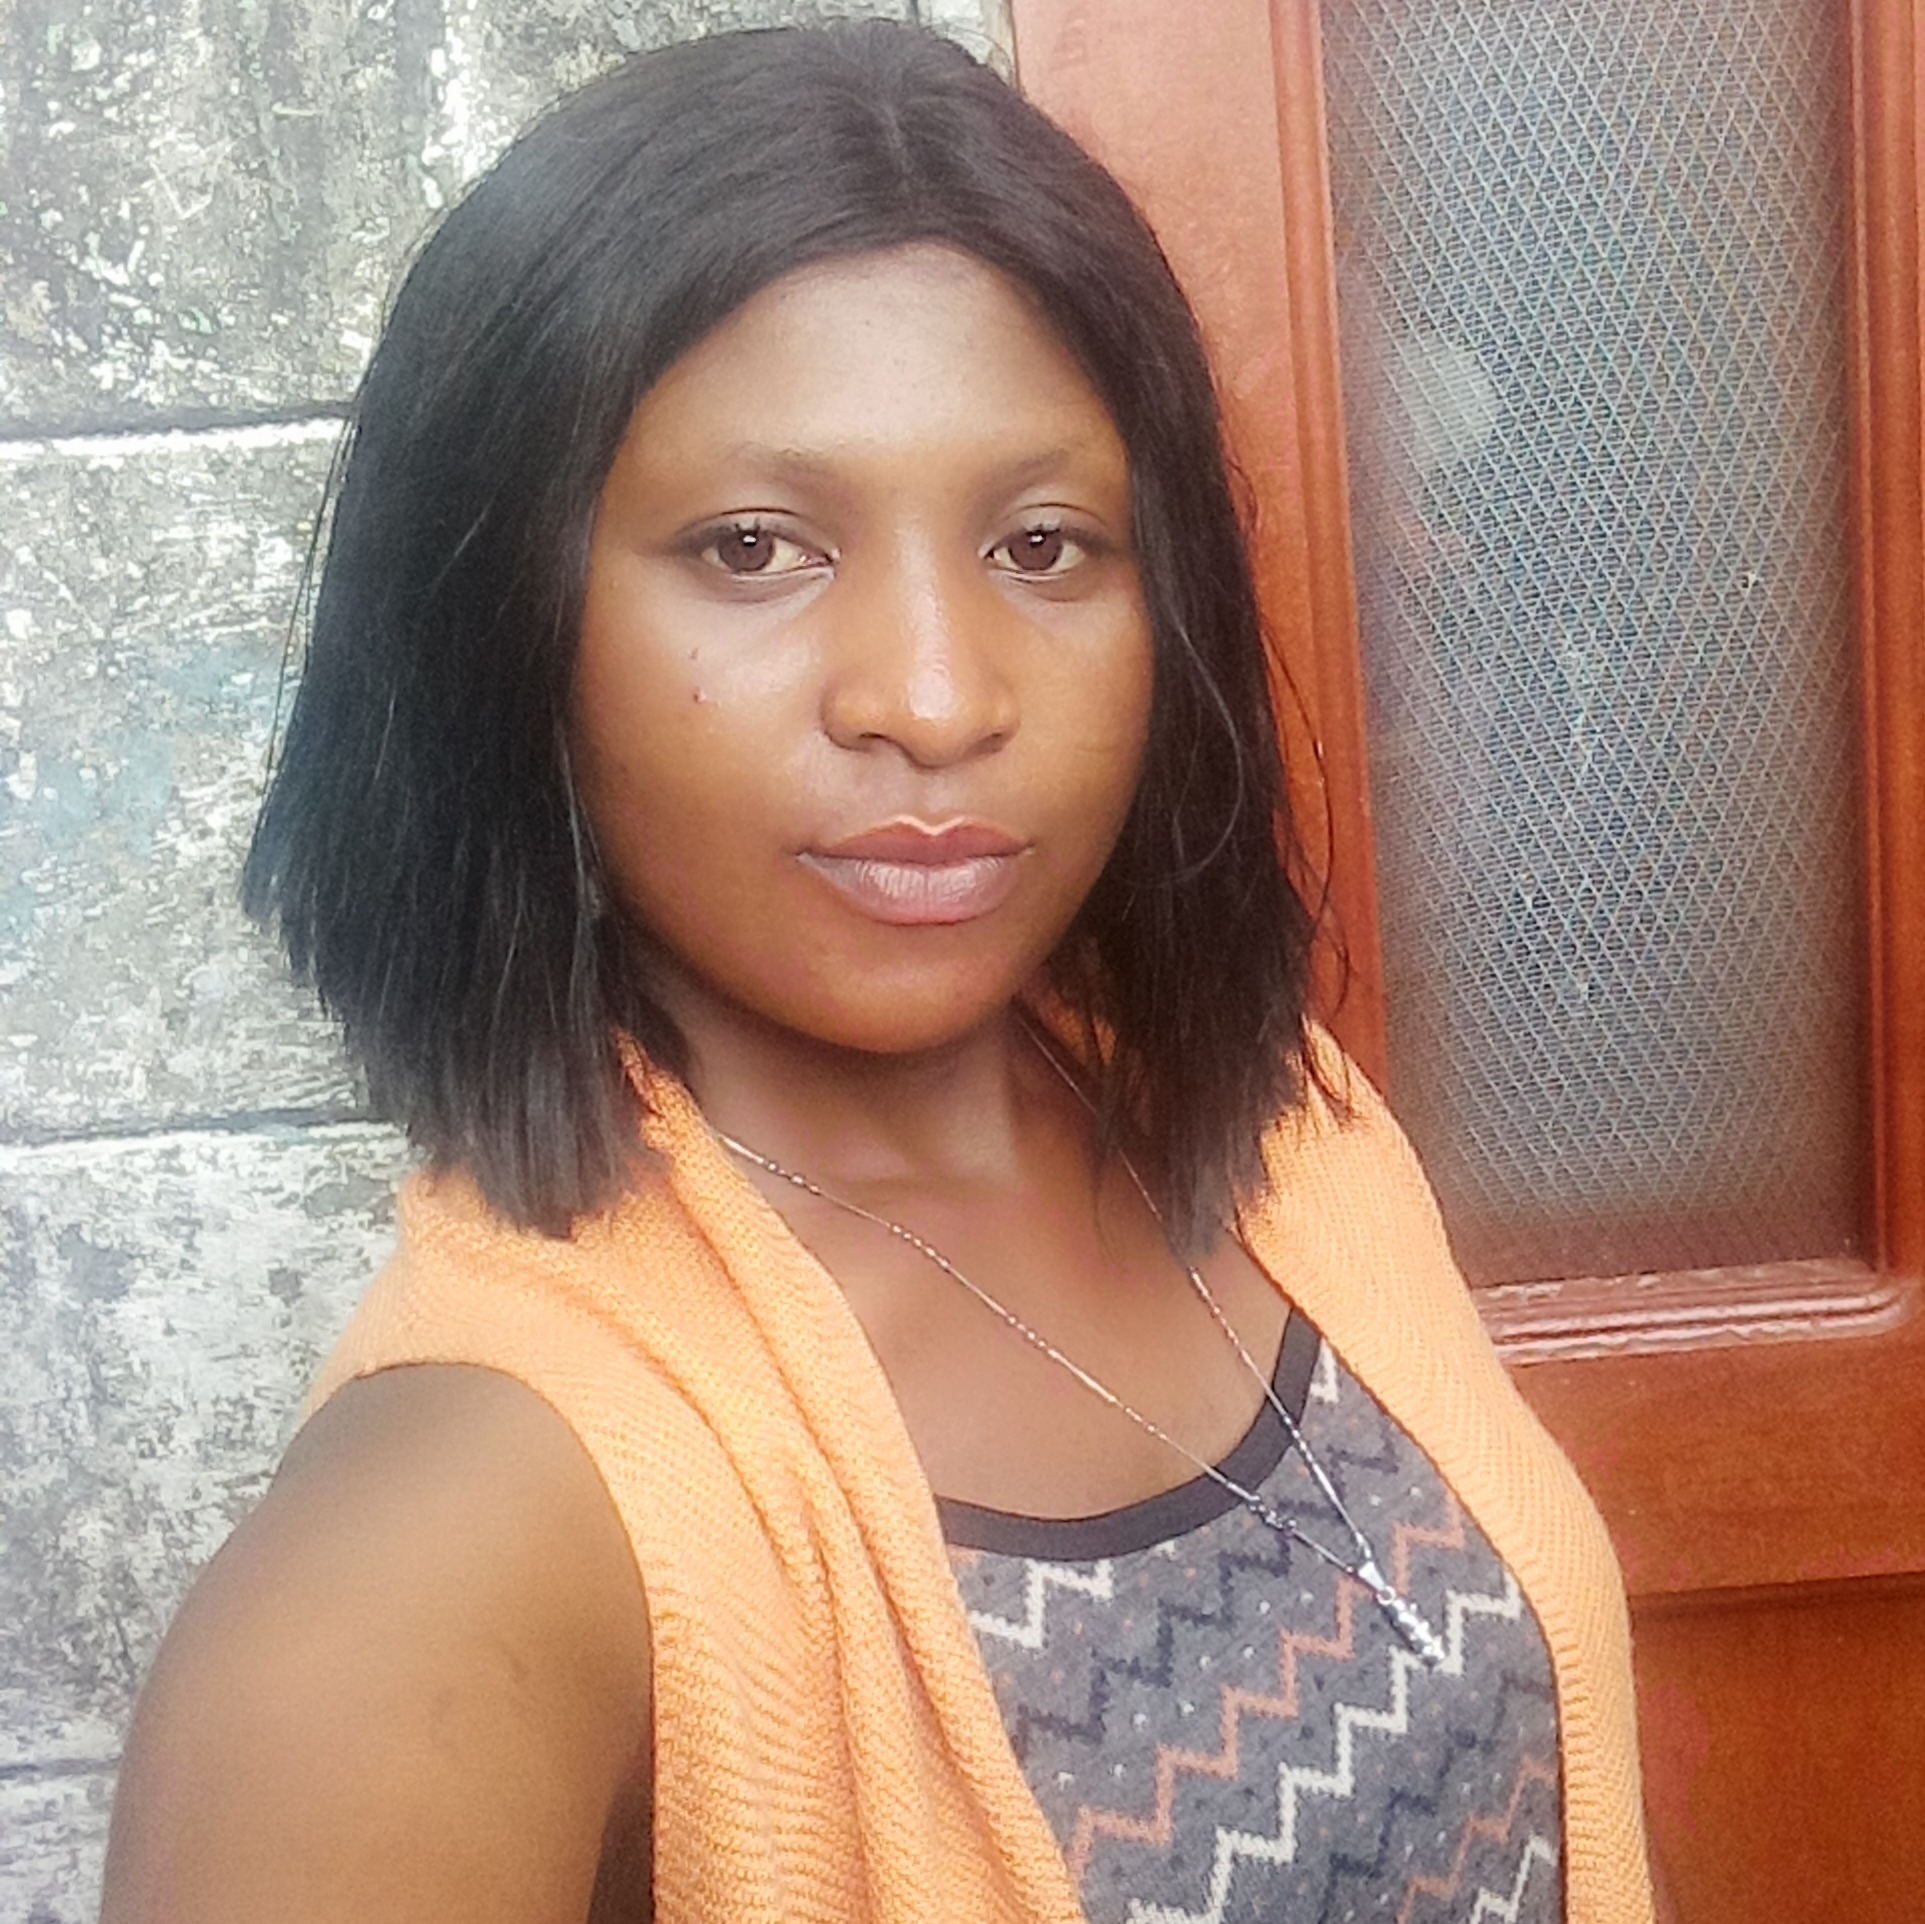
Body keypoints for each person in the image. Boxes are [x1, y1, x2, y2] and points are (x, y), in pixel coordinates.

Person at [99, 22, 1654, 1924]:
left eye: (1043, 543)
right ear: (503, 622)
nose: (932, 696)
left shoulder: (1291, 1139)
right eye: (754, 547)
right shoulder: (440, 1554)